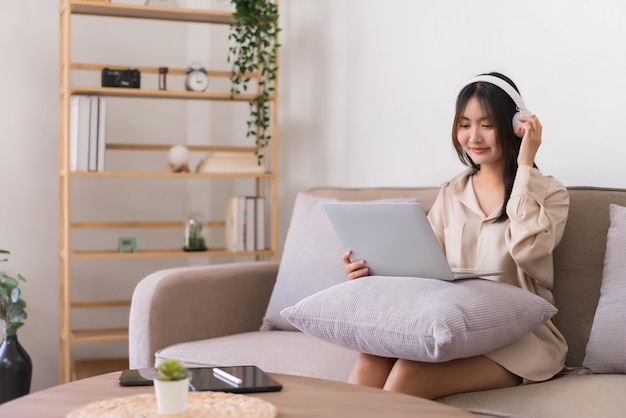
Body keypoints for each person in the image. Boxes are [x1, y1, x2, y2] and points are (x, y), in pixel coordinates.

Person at [342, 72, 569, 400]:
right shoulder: (451, 193)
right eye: (465, 124)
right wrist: (369, 271)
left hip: (519, 342)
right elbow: (423, 272)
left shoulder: (550, 194)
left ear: (517, 126)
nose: (473, 136)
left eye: (487, 125)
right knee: (370, 359)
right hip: (456, 330)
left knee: (407, 374)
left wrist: (525, 166)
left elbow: (529, 251)